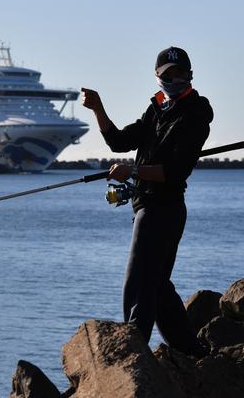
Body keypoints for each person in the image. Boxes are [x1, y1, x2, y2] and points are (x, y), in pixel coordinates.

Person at [81, 46, 213, 357]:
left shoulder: (196, 113)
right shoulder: (156, 111)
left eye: (181, 73)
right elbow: (119, 141)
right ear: (157, 77)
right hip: (145, 206)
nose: (175, 78)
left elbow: (175, 171)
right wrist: (98, 108)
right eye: (168, 74)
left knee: (138, 282)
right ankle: (192, 352)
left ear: (190, 75)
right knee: (157, 287)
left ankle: (132, 353)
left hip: (163, 209)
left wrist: (134, 170)